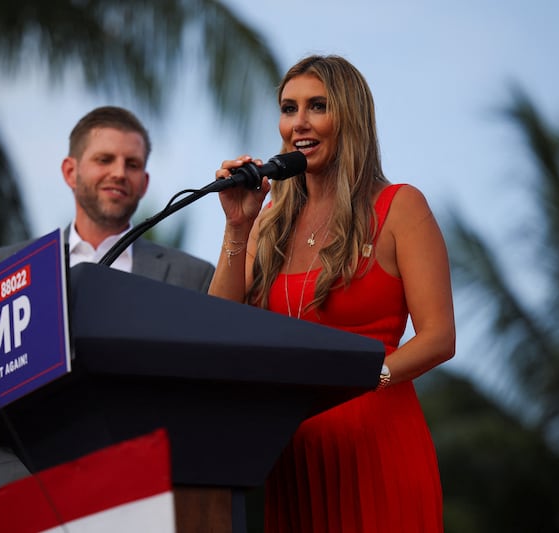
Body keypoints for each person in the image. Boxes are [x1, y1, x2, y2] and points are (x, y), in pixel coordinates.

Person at [209, 55, 455, 532]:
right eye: (288, 108)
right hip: (296, 454)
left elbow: (439, 337)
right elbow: (221, 324)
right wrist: (237, 226)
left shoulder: (400, 207)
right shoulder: (268, 222)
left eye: (317, 106)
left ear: (350, 117)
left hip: (377, 444)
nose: (298, 123)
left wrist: (364, 379)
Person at [0, 105, 215, 490]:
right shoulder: (6, 267)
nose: (119, 173)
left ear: (145, 182)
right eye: (104, 159)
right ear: (70, 172)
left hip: (144, 484)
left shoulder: (193, 275)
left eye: (133, 164)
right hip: (26, 486)